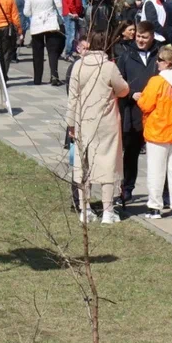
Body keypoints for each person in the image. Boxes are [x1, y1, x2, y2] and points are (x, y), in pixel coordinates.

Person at [66, 30, 131, 224]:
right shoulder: (109, 67)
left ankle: (85, 209)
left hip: (83, 120)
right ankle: (108, 211)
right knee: (108, 164)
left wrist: (70, 123)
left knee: (82, 165)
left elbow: (72, 97)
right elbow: (123, 89)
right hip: (106, 121)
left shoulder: (78, 65)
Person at [136, 46, 172, 220]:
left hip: (158, 131)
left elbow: (146, 104)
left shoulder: (156, 81)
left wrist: (139, 98)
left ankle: (154, 207)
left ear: (168, 63)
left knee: (156, 170)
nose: (157, 63)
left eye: (160, 60)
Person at [116, 20, 163, 212]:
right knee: (131, 153)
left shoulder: (160, 54)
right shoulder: (126, 55)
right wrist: (131, 93)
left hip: (156, 112)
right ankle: (127, 188)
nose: (141, 40)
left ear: (152, 36)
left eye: (144, 37)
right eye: (138, 37)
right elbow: (118, 81)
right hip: (133, 111)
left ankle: (160, 191)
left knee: (158, 155)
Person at [24, 0, 65, 87]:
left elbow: (26, 12)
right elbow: (59, 4)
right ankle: (54, 76)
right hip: (51, 23)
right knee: (52, 51)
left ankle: (37, 79)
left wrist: (35, 13)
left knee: (37, 52)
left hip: (36, 25)